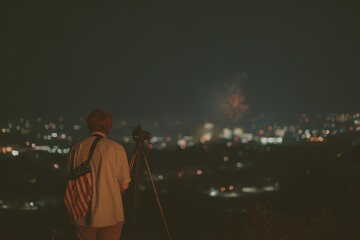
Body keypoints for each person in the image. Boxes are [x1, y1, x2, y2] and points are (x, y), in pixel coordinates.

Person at [66, 109, 131, 240]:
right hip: (110, 214)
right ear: (108, 126)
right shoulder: (116, 148)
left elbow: (70, 178)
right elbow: (124, 185)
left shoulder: (76, 147)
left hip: (81, 212)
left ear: (88, 125)